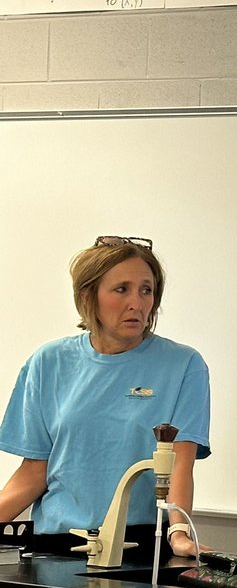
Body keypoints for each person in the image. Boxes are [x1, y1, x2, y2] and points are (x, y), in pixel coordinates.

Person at [0, 236, 211, 559]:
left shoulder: (183, 365)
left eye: (146, 290)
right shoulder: (48, 362)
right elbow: (33, 472)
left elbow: (180, 462)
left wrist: (180, 533)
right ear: (88, 296)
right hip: (54, 544)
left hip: (139, 546)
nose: (137, 303)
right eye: (121, 289)